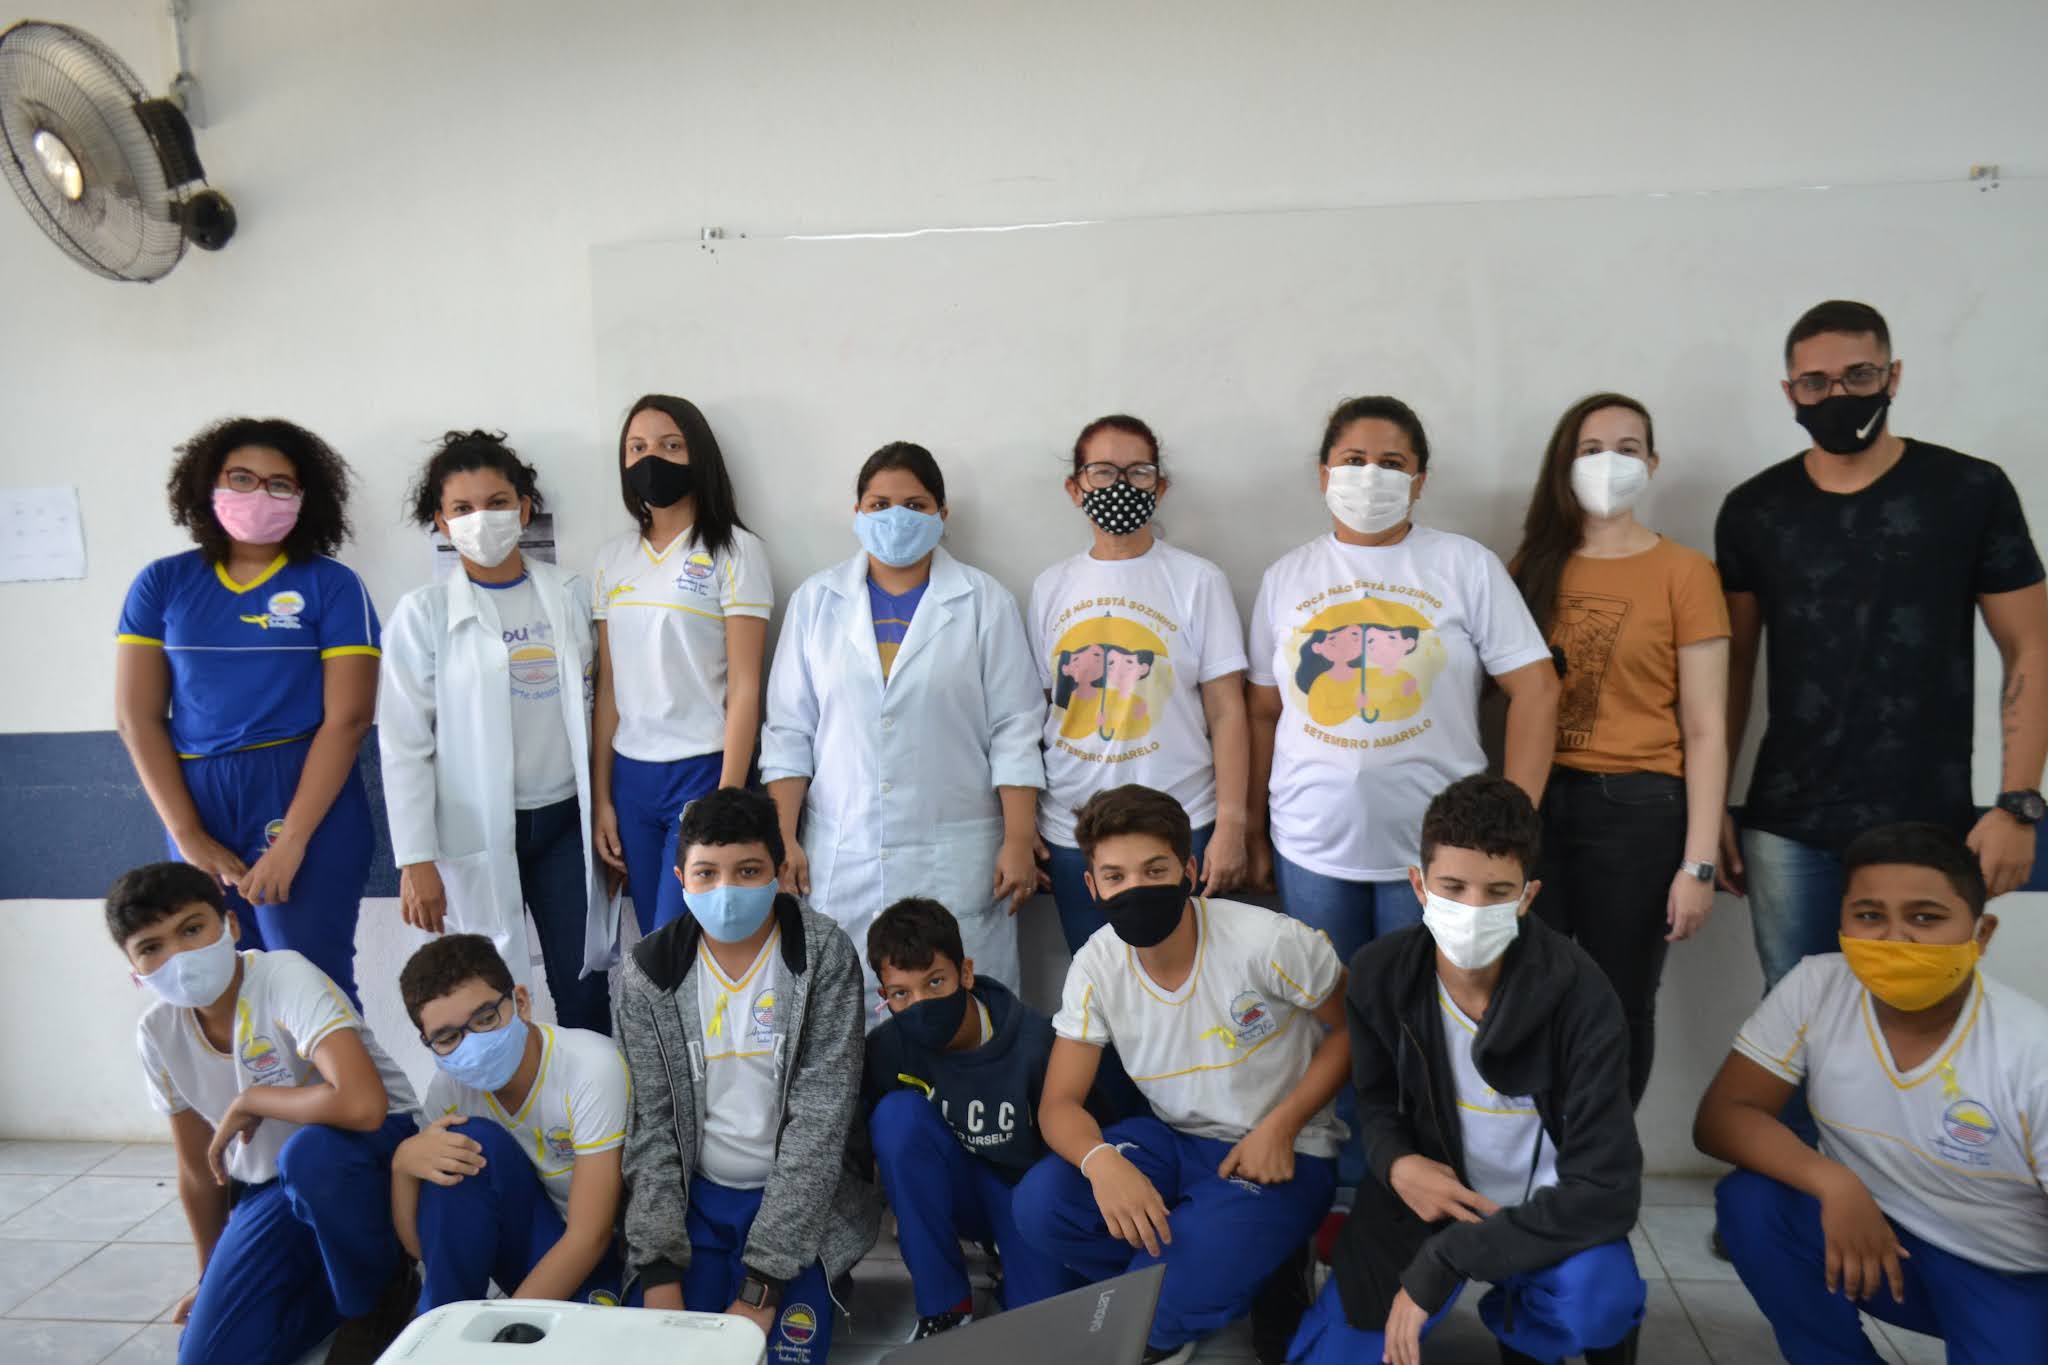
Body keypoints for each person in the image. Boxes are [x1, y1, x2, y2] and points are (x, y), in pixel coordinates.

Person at [1247, 395, 1558, 1187]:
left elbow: (1536, 687)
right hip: (1312, 846)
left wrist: (1513, 822)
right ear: (1323, 473)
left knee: (1428, 1019)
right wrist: (1248, 825)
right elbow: (1261, 710)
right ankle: (1349, 1178)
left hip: (1437, 858)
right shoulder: (1287, 577)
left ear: (1420, 480)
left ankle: (1428, 1171)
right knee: (1332, 1018)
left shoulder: (1464, 566)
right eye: (1353, 460)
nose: (1370, 476)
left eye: (1392, 463)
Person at [1716, 300, 2048, 992]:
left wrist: (2019, 803)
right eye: (1815, 382)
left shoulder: (1970, 490)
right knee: (1800, 1018)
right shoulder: (1754, 509)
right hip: (1787, 825)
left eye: (1858, 375)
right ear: (1790, 392)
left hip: (1928, 821)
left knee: (1919, 1013)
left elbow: (2031, 646)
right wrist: (1708, 806)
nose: (1837, 395)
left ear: (1893, 376)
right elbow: (1734, 667)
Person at [1297, 774, 1645, 1365]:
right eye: (1452, 887)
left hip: (1544, 1215)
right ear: (1419, 885)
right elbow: (1375, 1104)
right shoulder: (1380, 974)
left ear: (1528, 896)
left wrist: (1448, 1259)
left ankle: (1522, 1322)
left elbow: (1608, 1191)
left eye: (1497, 891)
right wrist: (1397, 1163)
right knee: (1331, 1357)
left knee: (1597, 1300)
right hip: (1427, 1200)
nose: (1473, 909)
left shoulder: (1582, 994)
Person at [1014, 784, 1350, 1365]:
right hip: (1175, 1142)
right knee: (1042, 1204)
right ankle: (1213, 1273)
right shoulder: (1096, 963)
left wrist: (1282, 1126)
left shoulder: (1268, 940)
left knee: (1158, 1301)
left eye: (1155, 870)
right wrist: (1102, 1163)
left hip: (1281, 1151)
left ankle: (1226, 1271)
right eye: (1115, 877)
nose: (1135, 888)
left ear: (1189, 872)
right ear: (1092, 887)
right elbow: (1059, 1104)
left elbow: (1355, 1031)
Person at [1696, 821, 2048, 1362]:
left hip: (2008, 1274)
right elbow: (1723, 1117)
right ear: (1840, 921)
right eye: (1869, 916)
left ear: (1981, 934)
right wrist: (1835, 1183)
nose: (1894, 938)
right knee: (1754, 1205)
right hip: (1875, 1240)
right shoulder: (1817, 986)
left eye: (1925, 918)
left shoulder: (2031, 1050)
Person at [1507, 393, 1730, 1107]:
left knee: (1619, 999)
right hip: (1536, 804)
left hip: (1637, 808)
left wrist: (1698, 864)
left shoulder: (1685, 572)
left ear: (1652, 464)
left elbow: (1706, 727)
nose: (1609, 463)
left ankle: (1601, 1156)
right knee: (1528, 991)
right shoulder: (1531, 567)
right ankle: (1542, 1149)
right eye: (1591, 448)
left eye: (1628, 449)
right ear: (1564, 462)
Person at [110, 862, 420, 1365]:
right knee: (206, 1356)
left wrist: (253, 1098)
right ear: (134, 972)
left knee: (311, 1155)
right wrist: (210, 1277)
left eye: (192, 929)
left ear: (230, 925)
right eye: (151, 947)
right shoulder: (156, 1032)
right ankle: (329, 1286)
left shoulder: (283, 976)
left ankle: (379, 1294)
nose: (179, 956)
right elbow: (199, 1170)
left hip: (370, 1153)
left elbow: (363, 1107)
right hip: (272, 1185)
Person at [762, 441, 1044, 993]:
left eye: (915, 505)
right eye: (879, 504)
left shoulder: (984, 601)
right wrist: (783, 837)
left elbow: (1015, 729)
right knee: (844, 1007)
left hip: (957, 853)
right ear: (857, 513)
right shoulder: (816, 602)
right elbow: (789, 731)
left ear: (942, 513)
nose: (896, 518)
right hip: (844, 850)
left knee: (962, 1005)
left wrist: (1018, 838)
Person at [115, 417, 379, 1005]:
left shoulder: (333, 585)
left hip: (303, 792)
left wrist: (292, 842)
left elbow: (349, 720)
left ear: (306, 497)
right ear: (208, 484)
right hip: (195, 798)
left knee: (313, 986)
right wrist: (187, 834)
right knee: (219, 990)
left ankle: (355, 1076)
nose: (260, 494)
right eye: (242, 478)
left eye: (280, 484)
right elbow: (137, 718)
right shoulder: (162, 583)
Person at [617, 786, 880, 1364]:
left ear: (780, 873)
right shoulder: (647, 974)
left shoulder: (824, 955)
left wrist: (763, 1284)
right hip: (697, 1203)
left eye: (748, 871)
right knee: (668, 1350)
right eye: (706, 874)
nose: (726, 891)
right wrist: (659, 1270)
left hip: (801, 1204)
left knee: (779, 1350)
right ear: (681, 879)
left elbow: (820, 1122)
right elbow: (652, 1131)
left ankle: (814, 1275)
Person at [378, 430, 615, 1035]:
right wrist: (415, 859)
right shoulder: (423, 615)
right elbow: (404, 743)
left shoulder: (568, 593)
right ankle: (514, 1096)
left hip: (564, 822)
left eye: (497, 502)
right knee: (488, 996)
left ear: (524, 508)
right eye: (462, 508)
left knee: (584, 987)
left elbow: (599, 705)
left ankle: (593, 1092)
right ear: (441, 522)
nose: (481, 519)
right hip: (476, 832)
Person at [862, 895, 1146, 1340]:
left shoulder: (1036, 1044)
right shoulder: (886, 1047)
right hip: (959, 1189)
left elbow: (1091, 1134)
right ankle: (945, 1307)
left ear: (965, 973)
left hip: (1027, 1199)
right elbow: (876, 1150)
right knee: (896, 1117)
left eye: (935, 982)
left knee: (1043, 1325)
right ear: (884, 997)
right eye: (902, 993)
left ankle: (1011, 1261)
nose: (921, 1003)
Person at [1030, 414, 1250, 952]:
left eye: (1138, 472)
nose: (1120, 485)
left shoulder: (1198, 580)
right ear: (1075, 488)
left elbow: (1227, 711)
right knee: (1097, 982)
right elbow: (1040, 708)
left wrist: (1232, 824)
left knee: (1190, 979)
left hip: (1182, 819)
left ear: (1161, 486)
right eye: (1103, 472)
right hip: (1073, 827)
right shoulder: (1051, 586)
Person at [590, 394, 772, 935]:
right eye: (637, 447)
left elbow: (745, 685)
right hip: (631, 777)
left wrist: (727, 798)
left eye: (671, 445)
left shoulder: (735, 551)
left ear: (699, 455)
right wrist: (602, 799)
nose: (652, 458)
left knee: (687, 934)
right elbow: (608, 689)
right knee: (653, 939)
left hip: (703, 769)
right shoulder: (612, 558)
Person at [393, 933, 633, 1312]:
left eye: (486, 1018)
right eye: (448, 1038)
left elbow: (590, 1235)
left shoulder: (590, 1067)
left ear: (520, 1002)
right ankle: (441, 1328)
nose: (472, 1044)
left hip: (609, 1255)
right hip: (530, 1250)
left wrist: (502, 1327)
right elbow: (430, 1249)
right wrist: (402, 1166)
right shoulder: (448, 1091)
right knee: (463, 1141)